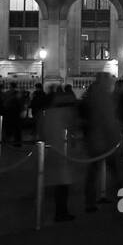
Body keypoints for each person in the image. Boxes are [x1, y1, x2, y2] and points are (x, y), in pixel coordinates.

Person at [38, 85, 80, 222]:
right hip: (62, 150)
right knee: (62, 184)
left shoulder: (46, 113)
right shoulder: (65, 113)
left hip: (52, 150)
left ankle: (60, 211)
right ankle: (61, 212)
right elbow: (72, 128)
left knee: (59, 183)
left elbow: (41, 133)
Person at [81, 72, 122, 212]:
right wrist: (117, 137)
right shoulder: (104, 97)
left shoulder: (92, 95)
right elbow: (108, 121)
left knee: (93, 174)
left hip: (96, 140)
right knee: (118, 173)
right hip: (105, 141)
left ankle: (90, 203)